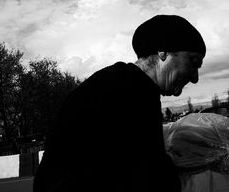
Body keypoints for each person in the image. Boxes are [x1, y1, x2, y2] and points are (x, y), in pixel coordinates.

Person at [33, 14, 206, 192]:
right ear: (163, 52)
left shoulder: (121, 82)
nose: (195, 77)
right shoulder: (134, 92)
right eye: (193, 62)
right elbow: (150, 175)